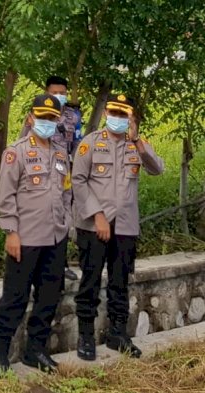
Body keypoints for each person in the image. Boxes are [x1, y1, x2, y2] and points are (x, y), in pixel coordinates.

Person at [71, 94, 164, 361]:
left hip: (125, 225)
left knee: (120, 282)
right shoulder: (90, 144)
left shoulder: (137, 146)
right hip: (94, 225)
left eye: (125, 115)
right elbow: (78, 181)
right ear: (104, 114)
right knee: (89, 280)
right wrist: (97, 215)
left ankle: (118, 334)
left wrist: (137, 140)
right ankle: (86, 336)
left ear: (131, 119)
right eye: (114, 112)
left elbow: (157, 169)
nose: (118, 118)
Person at [0, 94, 73, 375]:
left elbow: (66, 194)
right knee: (15, 297)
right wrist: (11, 232)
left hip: (54, 238)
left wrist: (66, 227)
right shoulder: (16, 152)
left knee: (49, 296)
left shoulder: (61, 154)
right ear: (30, 118)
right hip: (25, 239)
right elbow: (6, 196)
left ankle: (35, 351)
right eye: (42, 117)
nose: (47, 123)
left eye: (52, 118)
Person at [20, 75, 82, 281]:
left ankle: (61, 264)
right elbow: (24, 140)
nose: (59, 96)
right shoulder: (37, 114)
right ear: (46, 93)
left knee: (63, 217)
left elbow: (76, 145)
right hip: (37, 170)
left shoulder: (73, 117)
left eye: (63, 93)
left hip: (63, 172)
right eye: (55, 93)